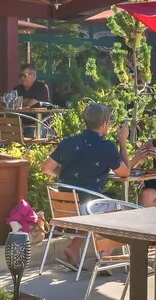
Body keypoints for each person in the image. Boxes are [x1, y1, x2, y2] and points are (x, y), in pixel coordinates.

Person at [42, 103, 130, 267]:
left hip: (66, 206)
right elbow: (125, 172)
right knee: (124, 210)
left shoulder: (68, 142)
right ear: (105, 124)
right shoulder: (106, 147)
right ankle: (105, 257)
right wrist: (122, 141)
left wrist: (66, 175)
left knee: (96, 208)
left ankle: (74, 249)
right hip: (87, 207)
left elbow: (46, 167)